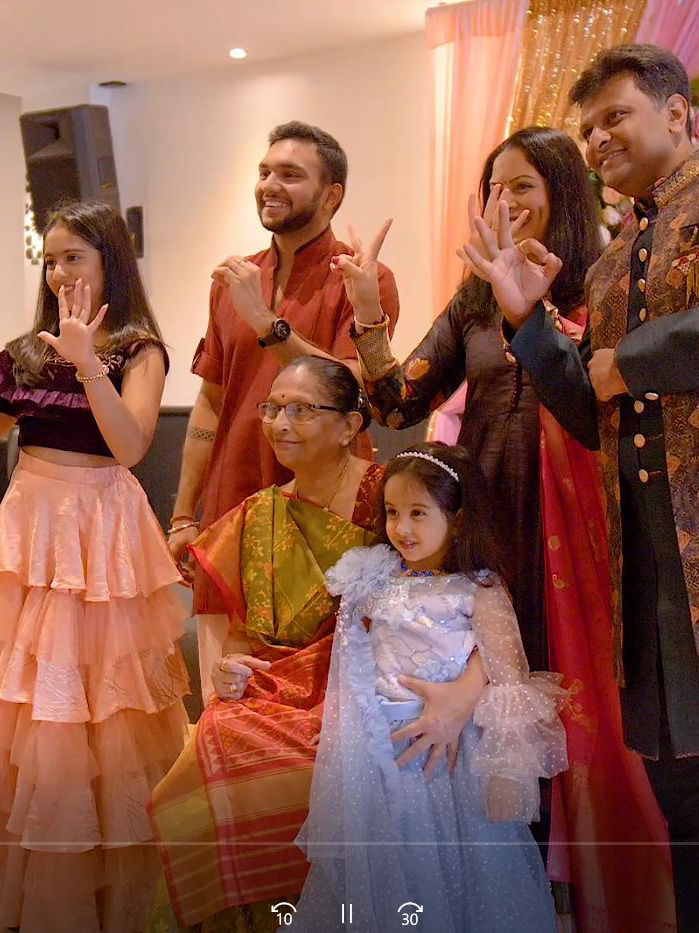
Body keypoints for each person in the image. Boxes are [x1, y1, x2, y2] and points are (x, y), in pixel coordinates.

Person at [333, 126, 674, 931]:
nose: (505, 201)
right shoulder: (476, 296)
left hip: (582, 525)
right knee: (493, 689)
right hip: (491, 515)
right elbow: (396, 404)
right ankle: (511, 893)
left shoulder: (605, 280)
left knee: (576, 698)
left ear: (562, 190)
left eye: (522, 185)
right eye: (493, 187)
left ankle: (600, 896)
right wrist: (368, 312)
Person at [460, 43, 699, 932]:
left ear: (676, 113)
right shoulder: (608, 261)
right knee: (679, 791)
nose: (598, 139)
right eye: (588, 127)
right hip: (650, 567)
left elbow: (615, 372)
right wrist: (527, 319)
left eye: (615, 117)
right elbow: (587, 411)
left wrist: (626, 359)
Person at [0, 200, 189, 932]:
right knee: (23, 698)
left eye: (73, 257)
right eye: (50, 259)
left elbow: (131, 445)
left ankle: (106, 897)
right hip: (29, 527)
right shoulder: (23, 349)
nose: (58, 273)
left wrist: (87, 364)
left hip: (99, 531)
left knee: (99, 705)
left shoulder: (139, 349)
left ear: (111, 261)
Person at [292, 443, 568, 932]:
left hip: (453, 756)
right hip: (382, 749)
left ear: (457, 520)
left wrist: (508, 775)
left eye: (418, 513)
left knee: (459, 866)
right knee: (391, 866)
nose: (402, 527)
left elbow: (509, 678)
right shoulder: (374, 579)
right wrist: (343, 729)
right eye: (392, 512)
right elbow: (348, 658)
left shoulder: (477, 589)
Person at [151, 357, 386, 930]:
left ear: (350, 426)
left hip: (368, 691)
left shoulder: (390, 500)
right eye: (272, 408)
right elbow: (242, 639)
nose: (280, 423)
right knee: (210, 747)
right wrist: (229, 669)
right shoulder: (259, 514)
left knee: (327, 768)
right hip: (277, 689)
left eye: (301, 410)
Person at [167, 122, 400, 684]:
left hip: (328, 507)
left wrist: (266, 324)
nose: (270, 185)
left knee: (322, 694)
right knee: (226, 685)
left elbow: (353, 385)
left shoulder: (364, 280)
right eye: (265, 172)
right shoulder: (233, 280)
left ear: (331, 195)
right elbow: (210, 401)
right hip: (233, 497)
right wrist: (183, 513)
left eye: (291, 175)